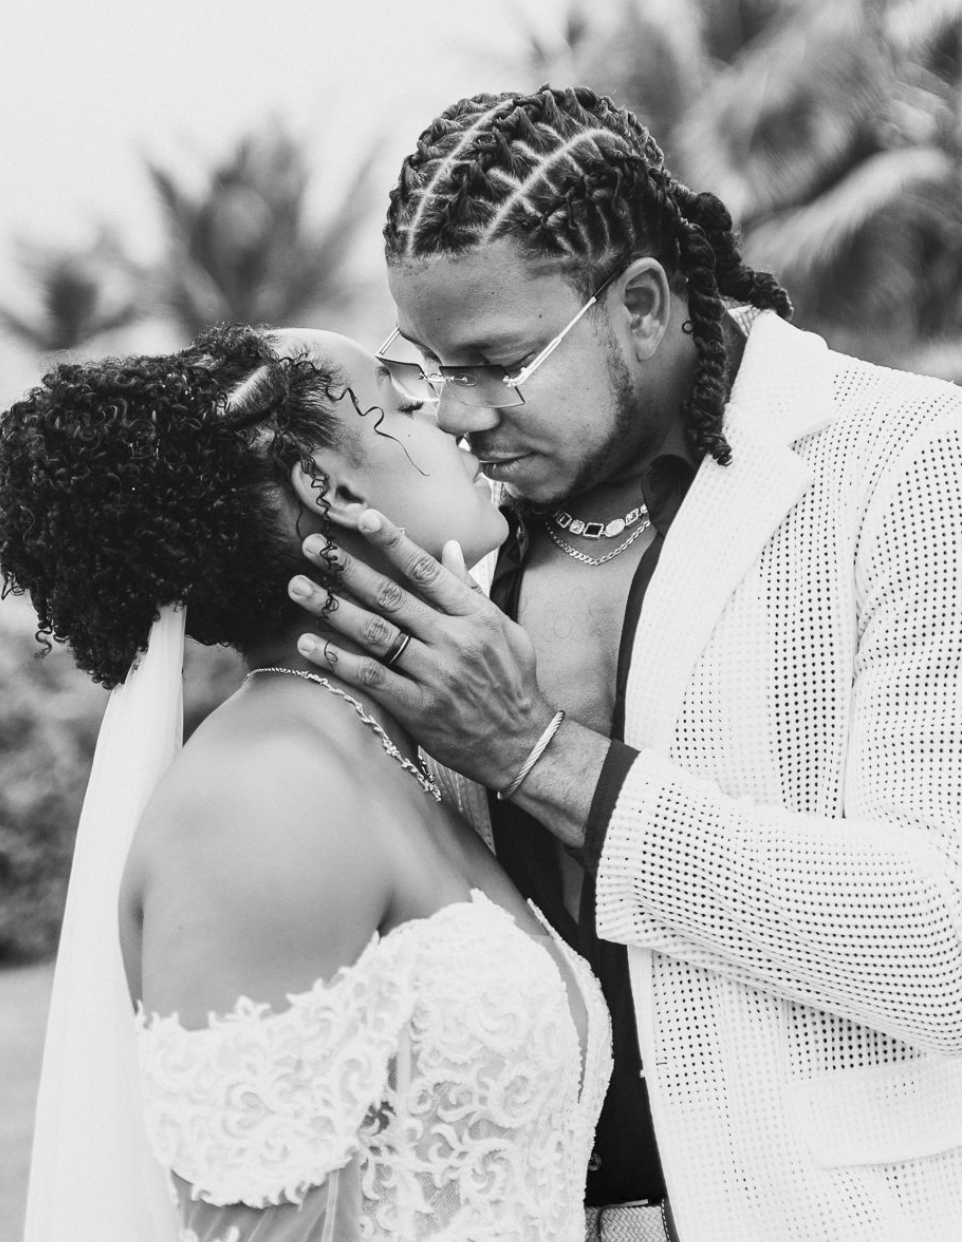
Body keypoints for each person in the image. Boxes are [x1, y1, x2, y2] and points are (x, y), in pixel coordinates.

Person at [287, 86, 962, 1242]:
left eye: (496, 361)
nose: (456, 413)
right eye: (426, 365)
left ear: (640, 304)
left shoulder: (905, 466)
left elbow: (938, 944)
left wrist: (538, 755)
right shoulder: (455, 541)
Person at [0, 324, 613, 1242]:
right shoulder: (263, 802)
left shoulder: (383, 751)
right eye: (404, 396)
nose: (451, 415)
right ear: (327, 487)